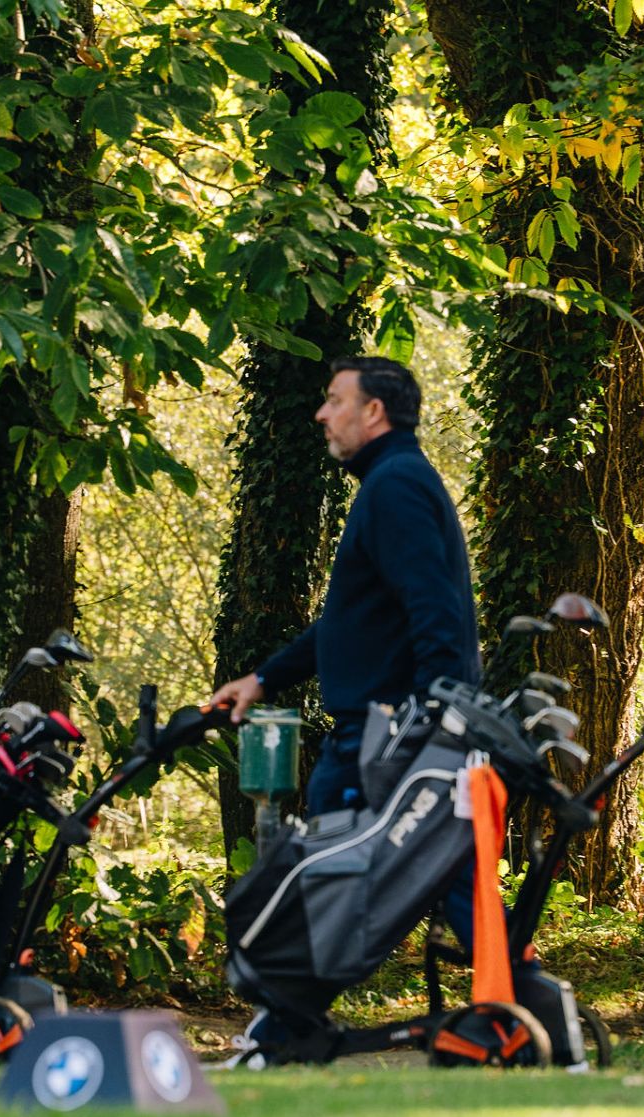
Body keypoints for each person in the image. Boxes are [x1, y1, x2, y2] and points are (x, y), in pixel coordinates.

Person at [210, 355, 483, 1060]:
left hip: (386, 736)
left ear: (374, 412)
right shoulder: (392, 484)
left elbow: (435, 610)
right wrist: (264, 677)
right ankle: (528, 998)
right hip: (395, 728)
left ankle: (278, 1031)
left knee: (334, 874)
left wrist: (437, 720)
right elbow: (350, 624)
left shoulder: (396, 487)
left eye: (335, 400)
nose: (321, 414)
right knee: (442, 871)